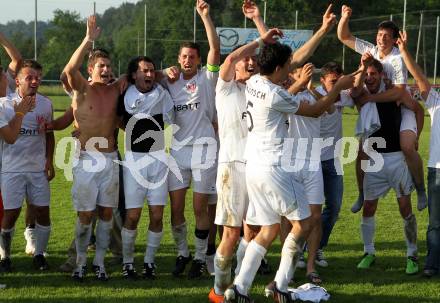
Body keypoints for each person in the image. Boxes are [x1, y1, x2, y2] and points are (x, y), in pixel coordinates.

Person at [224, 5, 358, 302]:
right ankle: (280, 285)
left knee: (269, 229)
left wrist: (323, 30)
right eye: (287, 66)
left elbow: (291, 57)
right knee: (304, 223)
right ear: (280, 69)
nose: (291, 68)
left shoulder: (255, 81)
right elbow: (313, 111)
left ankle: (239, 287)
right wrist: (338, 90)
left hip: (254, 167)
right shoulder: (276, 94)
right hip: (273, 166)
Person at [208, 8, 278, 303]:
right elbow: (228, 59)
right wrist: (259, 37)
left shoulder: (257, 89)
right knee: (231, 233)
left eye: (253, 60)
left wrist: (259, 21)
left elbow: (275, 59)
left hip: (256, 166)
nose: (248, 62)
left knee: (255, 228)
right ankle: (218, 288)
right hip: (231, 167)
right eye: (243, 60)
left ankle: (237, 286)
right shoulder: (224, 88)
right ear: (234, 68)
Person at [337, 5, 427, 213]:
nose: (381, 39)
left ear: (395, 39)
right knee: (362, 151)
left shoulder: (397, 58)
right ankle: (361, 193)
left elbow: (398, 92)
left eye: (387, 36)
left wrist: (370, 98)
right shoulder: (371, 51)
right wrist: (345, 17)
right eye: (379, 35)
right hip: (379, 108)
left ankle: (420, 189)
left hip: (400, 108)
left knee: (406, 146)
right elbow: (344, 36)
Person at [64, 15, 126, 281]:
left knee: (107, 213)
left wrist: (166, 72)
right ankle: (79, 263)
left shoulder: (116, 89)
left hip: (110, 159)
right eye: (101, 65)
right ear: (90, 69)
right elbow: (68, 70)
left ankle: (99, 263)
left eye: (108, 66)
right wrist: (87, 39)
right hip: (86, 159)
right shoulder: (82, 89)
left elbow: (141, 72)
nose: (106, 70)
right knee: (85, 214)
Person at [163, 0, 220, 279]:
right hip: (177, 152)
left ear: (198, 60)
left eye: (192, 57)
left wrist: (205, 17)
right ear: (178, 58)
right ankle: (182, 253)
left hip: (204, 150)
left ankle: (199, 257)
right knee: (175, 209)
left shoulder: (207, 80)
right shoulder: (168, 82)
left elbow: (215, 49)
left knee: (200, 207)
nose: (187, 60)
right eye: (184, 56)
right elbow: (137, 77)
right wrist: (162, 73)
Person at [352, 58, 419, 275]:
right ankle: (368, 252)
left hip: (396, 158)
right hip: (375, 159)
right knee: (369, 207)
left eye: (373, 73)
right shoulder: (361, 94)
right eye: (367, 74)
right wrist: (361, 71)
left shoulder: (393, 92)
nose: (369, 77)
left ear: (382, 75)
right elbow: (354, 93)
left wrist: (415, 132)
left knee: (404, 207)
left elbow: (416, 108)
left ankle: (412, 254)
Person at [118, 56, 173, 279]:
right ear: (133, 75)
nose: (149, 74)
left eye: (152, 70)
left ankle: (149, 262)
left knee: (157, 215)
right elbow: (118, 120)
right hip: (134, 161)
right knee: (132, 216)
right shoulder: (124, 94)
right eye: (144, 71)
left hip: (159, 160)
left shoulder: (162, 94)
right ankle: (128, 262)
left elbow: (172, 117)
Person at [0, 59, 54, 272]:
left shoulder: (46, 103)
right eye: (29, 77)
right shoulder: (5, 104)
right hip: (11, 169)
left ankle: (39, 255)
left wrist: (49, 159)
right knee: (10, 214)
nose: (34, 81)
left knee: (43, 212)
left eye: (37, 77)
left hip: (37, 169)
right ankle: (5, 257)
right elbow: (9, 137)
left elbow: (49, 135)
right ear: (18, 80)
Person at [396, 31, 440, 277]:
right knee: (435, 224)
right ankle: (432, 264)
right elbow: (420, 78)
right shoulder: (435, 101)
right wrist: (403, 51)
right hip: (437, 170)